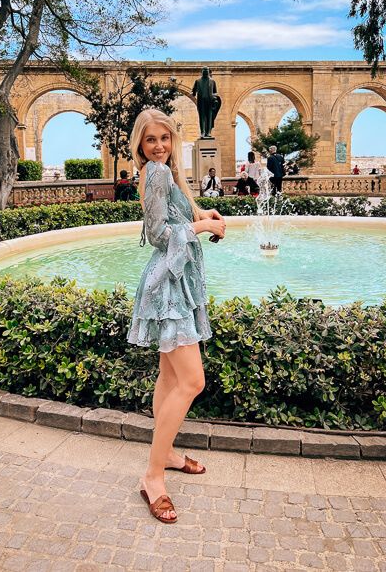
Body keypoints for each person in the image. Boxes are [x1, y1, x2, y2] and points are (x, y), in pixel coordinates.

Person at [127, 108, 226, 524]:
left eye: (164, 138)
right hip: (168, 285)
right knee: (192, 380)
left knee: (169, 378)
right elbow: (157, 234)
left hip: (175, 281)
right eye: (150, 140)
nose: (159, 146)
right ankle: (152, 476)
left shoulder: (168, 173)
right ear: (140, 144)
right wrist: (202, 230)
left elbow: (175, 215)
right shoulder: (156, 172)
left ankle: (165, 454)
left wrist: (201, 215)